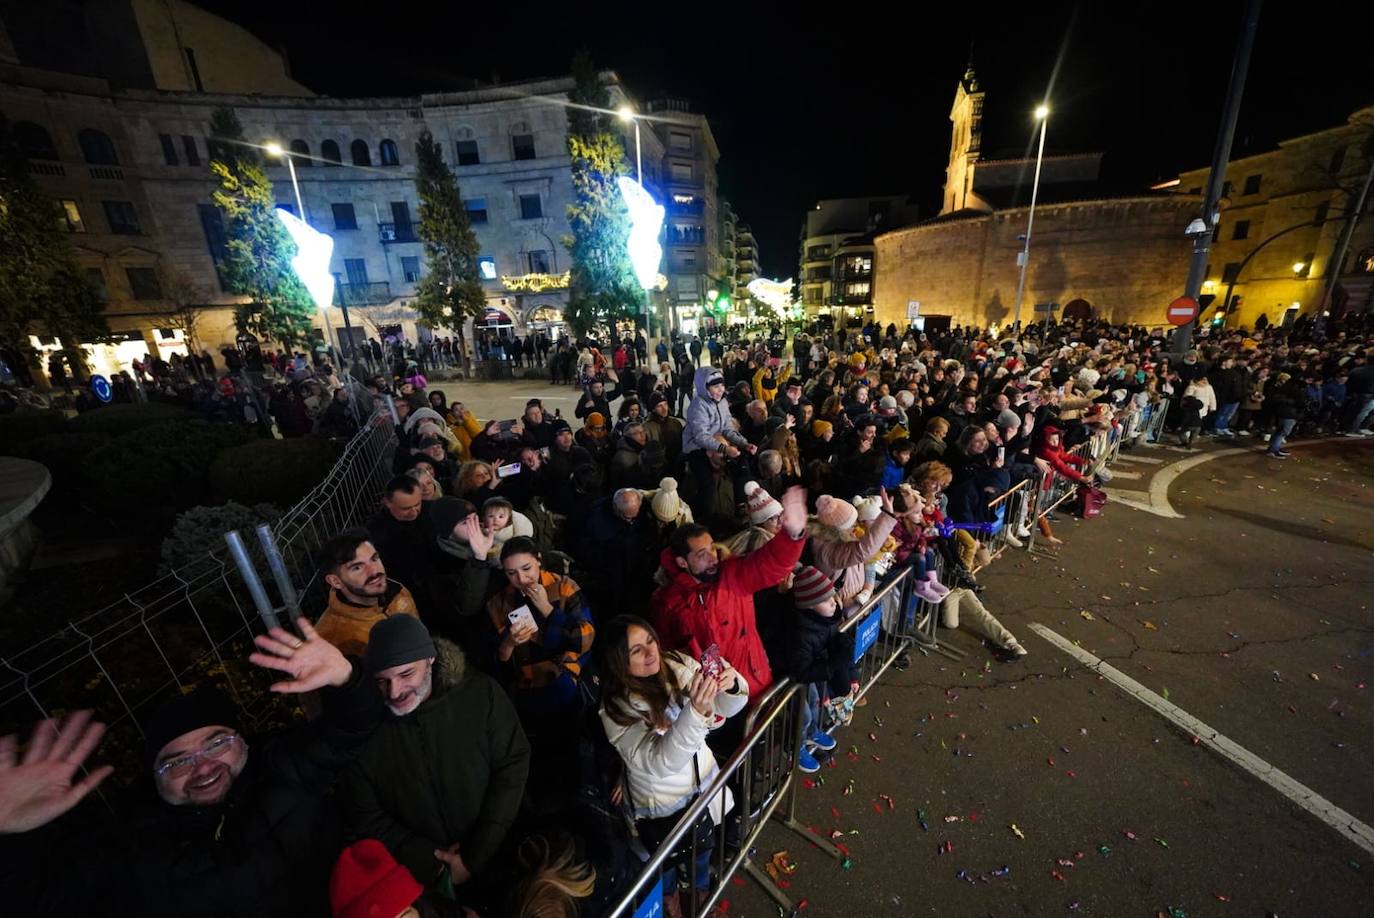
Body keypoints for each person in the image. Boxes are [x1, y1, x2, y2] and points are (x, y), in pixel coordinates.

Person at [0, 617, 382, 915]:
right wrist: (12, 835)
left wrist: (347, 678)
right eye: (177, 762)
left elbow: (351, 726)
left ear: (244, 743)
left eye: (217, 743)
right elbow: (37, 901)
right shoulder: (125, 844)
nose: (203, 768)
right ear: (153, 779)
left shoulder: (285, 769)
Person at [345, 615, 531, 902]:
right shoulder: (367, 734)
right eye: (382, 681)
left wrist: (477, 853)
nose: (394, 692)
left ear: (430, 659)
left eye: (406, 675)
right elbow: (368, 816)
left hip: (506, 857)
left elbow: (512, 763)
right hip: (433, 882)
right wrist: (434, 862)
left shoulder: (481, 695)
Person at [597, 615, 748, 915]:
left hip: (703, 786)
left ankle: (702, 893)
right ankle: (671, 902)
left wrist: (731, 686)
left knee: (702, 849)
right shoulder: (615, 708)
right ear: (618, 661)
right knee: (666, 863)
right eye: (636, 650)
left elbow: (721, 712)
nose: (650, 652)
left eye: (650, 641)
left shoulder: (677, 664)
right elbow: (659, 762)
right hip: (661, 807)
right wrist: (695, 712)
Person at [649, 485, 809, 697]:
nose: (713, 557)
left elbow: (770, 563)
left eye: (713, 548)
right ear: (682, 562)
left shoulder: (732, 575)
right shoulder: (665, 602)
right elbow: (667, 655)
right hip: (712, 700)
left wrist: (792, 535)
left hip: (754, 684)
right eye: (701, 554)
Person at [783, 565, 850, 772]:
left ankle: (811, 733)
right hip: (792, 679)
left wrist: (842, 643)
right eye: (825, 599)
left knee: (813, 703)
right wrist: (830, 666)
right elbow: (800, 671)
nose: (833, 602)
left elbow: (830, 637)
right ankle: (795, 746)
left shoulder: (824, 619)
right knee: (803, 714)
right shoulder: (799, 633)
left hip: (810, 672)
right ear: (810, 605)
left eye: (832, 596)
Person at [314, 529, 422, 657]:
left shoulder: (398, 592)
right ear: (335, 581)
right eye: (357, 567)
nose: (374, 571)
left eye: (374, 559)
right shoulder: (330, 636)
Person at [681, 367, 755, 520]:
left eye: (722, 385)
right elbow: (701, 436)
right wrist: (725, 448)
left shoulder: (722, 402)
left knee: (742, 465)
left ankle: (741, 504)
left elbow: (727, 428)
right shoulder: (698, 405)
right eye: (715, 386)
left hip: (717, 442)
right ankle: (705, 519)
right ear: (705, 388)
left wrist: (743, 444)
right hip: (696, 446)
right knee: (707, 484)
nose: (721, 390)